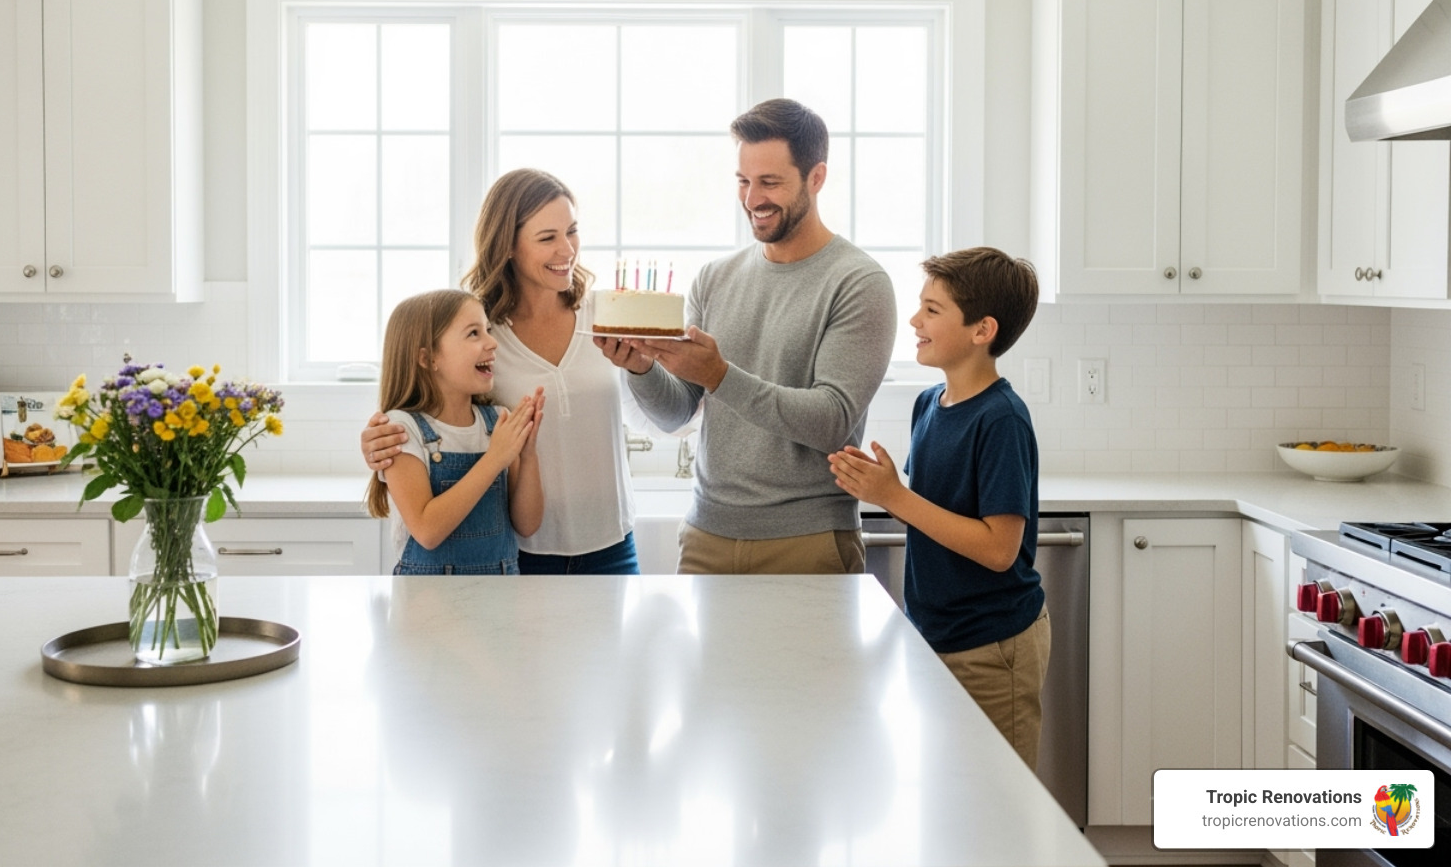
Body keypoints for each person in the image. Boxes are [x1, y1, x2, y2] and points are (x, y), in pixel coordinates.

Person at [596, 98, 896, 574]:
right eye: (743, 181)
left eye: (770, 182)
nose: (753, 199)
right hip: (707, 536)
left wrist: (720, 375)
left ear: (816, 178)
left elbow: (832, 421)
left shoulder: (859, 283)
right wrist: (640, 368)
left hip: (809, 541)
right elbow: (676, 413)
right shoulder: (714, 278)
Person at [826, 246, 1050, 769]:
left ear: (982, 330)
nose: (914, 320)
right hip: (935, 636)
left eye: (932, 309)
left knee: (997, 800)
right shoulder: (929, 403)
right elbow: (933, 511)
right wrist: (881, 487)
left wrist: (894, 496)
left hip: (993, 648)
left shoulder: (1001, 420)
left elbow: (999, 549)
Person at [361, 169, 644, 575]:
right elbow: (434, 407)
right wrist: (380, 439)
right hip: (519, 554)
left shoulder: (609, 314)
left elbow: (659, 412)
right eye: (547, 238)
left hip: (612, 544)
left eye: (572, 231)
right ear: (507, 246)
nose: (567, 249)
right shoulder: (479, 332)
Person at [365, 289, 545, 575]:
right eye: (473, 333)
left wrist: (528, 453)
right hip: (428, 597)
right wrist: (495, 458)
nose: (492, 343)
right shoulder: (401, 430)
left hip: (500, 594)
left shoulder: (497, 421)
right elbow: (427, 531)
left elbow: (528, 524)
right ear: (428, 358)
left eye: (487, 330)